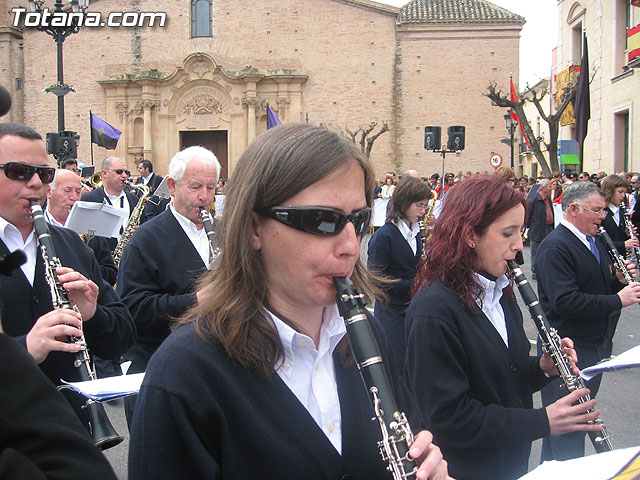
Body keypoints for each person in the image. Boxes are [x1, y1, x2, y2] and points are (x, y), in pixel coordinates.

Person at [128, 124, 450, 480]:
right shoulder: (183, 375)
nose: (351, 246)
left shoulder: (366, 335)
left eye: (358, 221)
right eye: (322, 220)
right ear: (254, 228)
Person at [405, 175, 603, 480]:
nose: (519, 245)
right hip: (465, 469)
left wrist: (542, 367)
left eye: (520, 232)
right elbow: (448, 418)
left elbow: (500, 375)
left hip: (508, 463)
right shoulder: (435, 310)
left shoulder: (499, 290)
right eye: (508, 233)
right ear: (470, 235)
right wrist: (543, 421)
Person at [0, 122, 135, 429]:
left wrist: (93, 314)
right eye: (19, 171)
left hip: (71, 434)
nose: (36, 182)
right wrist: (24, 349)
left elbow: (122, 336)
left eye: (44, 174)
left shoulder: (70, 244)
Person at [535, 181, 640, 461]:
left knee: (565, 435)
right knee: (569, 432)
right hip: (570, 350)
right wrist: (619, 299)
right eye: (597, 210)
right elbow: (566, 301)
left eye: (604, 210)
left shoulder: (592, 241)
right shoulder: (556, 247)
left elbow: (591, 287)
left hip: (592, 346)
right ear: (573, 209)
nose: (602, 217)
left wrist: (615, 283)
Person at [117, 146, 220, 424]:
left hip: (215, 367)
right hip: (160, 370)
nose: (205, 197)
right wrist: (197, 300)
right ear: (172, 187)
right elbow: (133, 309)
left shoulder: (224, 232)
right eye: (196, 186)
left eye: (211, 188)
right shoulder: (146, 239)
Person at [367, 175, 431, 371]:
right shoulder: (383, 237)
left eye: (425, 206)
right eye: (419, 205)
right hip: (391, 313)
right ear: (404, 203)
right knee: (396, 367)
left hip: (412, 310)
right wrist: (416, 285)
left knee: (414, 365)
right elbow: (376, 281)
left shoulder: (417, 232)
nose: (423, 211)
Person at [45, 169, 117, 286]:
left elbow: (111, 274)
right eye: (67, 191)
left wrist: (85, 269)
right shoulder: (35, 226)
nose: (74, 197)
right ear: (49, 192)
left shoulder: (91, 229)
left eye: (78, 192)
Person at [81, 156, 139, 251]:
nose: (124, 176)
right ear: (104, 173)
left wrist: (140, 230)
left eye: (126, 172)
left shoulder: (134, 199)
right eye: (119, 172)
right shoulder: (88, 199)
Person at [600, 174, 638, 257]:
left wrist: (627, 234)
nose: (623, 196)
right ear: (609, 191)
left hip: (620, 258)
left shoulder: (620, 211)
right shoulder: (601, 212)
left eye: (624, 192)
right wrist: (623, 244)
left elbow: (617, 236)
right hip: (606, 259)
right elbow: (600, 242)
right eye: (620, 192)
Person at [527, 178, 554, 279]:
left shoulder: (548, 199)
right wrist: (531, 226)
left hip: (548, 228)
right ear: (543, 188)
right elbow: (528, 214)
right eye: (549, 186)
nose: (551, 188)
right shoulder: (535, 198)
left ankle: (546, 270)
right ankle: (535, 271)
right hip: (537, 229)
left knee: (548, 250)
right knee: (536, 251)